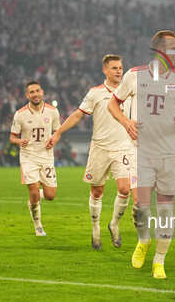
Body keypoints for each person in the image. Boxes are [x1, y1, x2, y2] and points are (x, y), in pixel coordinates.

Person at [108, 30, 175, 279]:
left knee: (167, 210)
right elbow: (112, 104)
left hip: (169, 153)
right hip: (141, 151)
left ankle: (159, 261)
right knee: (141, 207)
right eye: (173, 48)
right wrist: (126, 122)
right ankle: (143, 241)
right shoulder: (135, 75)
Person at [47, 55, 133, 250]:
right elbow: (78, 114)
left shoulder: (130, 92)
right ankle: (95, 229)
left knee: (125, 188)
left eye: (120, 67)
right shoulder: (95, 93)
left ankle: (114, 224)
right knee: (97, 190)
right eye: (114, 68)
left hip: (123, 147)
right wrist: (59, 131)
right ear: (105, 70)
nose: (118, 71)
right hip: (100, 148)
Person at [10, 81, 60, 236]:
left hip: (46, 157)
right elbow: (12, 137)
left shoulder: (52, 111)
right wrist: (19, 141)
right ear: (27, 95)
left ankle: (35, 197)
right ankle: (38, 226)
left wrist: (54, 140)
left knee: (51, 195)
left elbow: (57, 131)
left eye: (37, 91)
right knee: (33, 191)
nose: (35, 94)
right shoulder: (20, 114)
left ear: (42, 92)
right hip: (28, 157)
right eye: (31, 92)